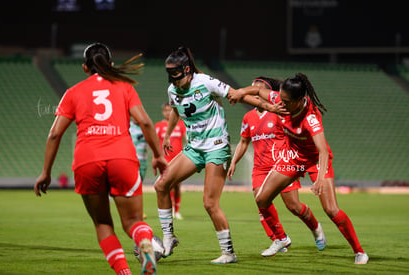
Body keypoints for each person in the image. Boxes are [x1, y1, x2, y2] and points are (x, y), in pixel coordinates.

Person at [34, 42, 168, 275]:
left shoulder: (73, 92)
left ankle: (123, 272)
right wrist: (157, 156)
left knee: (103, 223)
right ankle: (145, 242)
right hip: (122, 158)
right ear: (111, 65)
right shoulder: (124, 87)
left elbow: (55, 133)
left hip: (88, 160)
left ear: (85, 68)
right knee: (133, 221)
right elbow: (146, 122)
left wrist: (46, 172)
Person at [228, 72, 369, 264]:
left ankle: (359, 252)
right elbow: (259, 91)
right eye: (281, 99)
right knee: (261, 198)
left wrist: (319, 180)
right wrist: (240, 92)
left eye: (286, 101)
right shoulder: (280, 99)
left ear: (299, 100)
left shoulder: (310, 118)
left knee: (331, 209)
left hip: (316, 160)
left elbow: (323, 151)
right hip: (293, 158)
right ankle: (281, 238)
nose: (281, 104)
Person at [154, 46, 262, 264]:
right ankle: (169, 238)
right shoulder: (172, 90)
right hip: (194, 148)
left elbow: (235, 95)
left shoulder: (206, 82)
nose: (174, 81)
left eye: (177, 76)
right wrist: (167, 135)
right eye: (170, 76)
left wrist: (267, 106)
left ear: (187, 69)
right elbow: (175, 109)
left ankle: (229, 253)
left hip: (216, 146)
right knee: (160, 185)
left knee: (209, 203)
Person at [227, 76, 326, 257]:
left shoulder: (280, 111)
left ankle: (316, 227)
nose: (255, 90)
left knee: (294, 206)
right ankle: (280, 238)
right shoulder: (248, 117)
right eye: (252, 87)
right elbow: (243, 142)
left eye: (259, 88)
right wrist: (234, 161)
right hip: (260, 168)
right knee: (261, 203)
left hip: (281, 164)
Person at [155, 102, 187, 220]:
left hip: (179, 158)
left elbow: (187, 139)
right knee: (168, 185)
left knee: (178, 185)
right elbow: (154, 142)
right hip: (165, 159)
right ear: (163, 111)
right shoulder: (158, 126)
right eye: (165, 110)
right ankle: (170, 209)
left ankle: (177, 210)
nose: (168, 113)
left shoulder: (181, 124)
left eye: (170, 110)